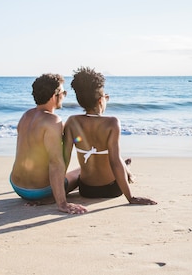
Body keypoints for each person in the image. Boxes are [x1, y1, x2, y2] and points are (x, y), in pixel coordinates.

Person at [64, 66, 156, 205]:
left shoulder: (72, 122)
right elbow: (114, 162)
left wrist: (54, 197)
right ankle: (127, 170)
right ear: (101, 100)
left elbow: (63, 159)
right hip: (112, 189)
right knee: (117, 158)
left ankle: (127, 169)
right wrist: (131, 198)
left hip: (86, 190)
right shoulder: (112, 122)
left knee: (77, 172)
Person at [10, 73, 88, 214]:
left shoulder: (26, 115)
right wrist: (62, 203)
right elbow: (55, 163)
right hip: (39, 191)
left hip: (16, 186)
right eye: (63, 92)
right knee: (82, 171)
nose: (65, 95)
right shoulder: (53, 121)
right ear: (54, 96)